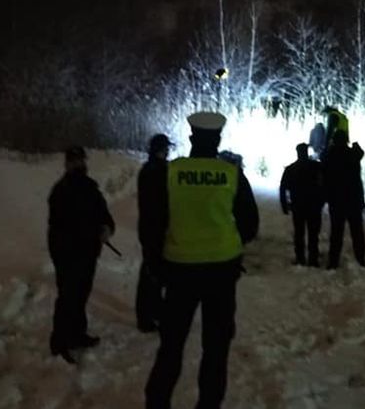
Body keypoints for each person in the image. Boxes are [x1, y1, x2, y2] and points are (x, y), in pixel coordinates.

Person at [145, 111, 259, 409]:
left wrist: (156, 266)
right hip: (221, 272)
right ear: (217, 140)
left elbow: (152, 224)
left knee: (171, 346)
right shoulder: (231, 174)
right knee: (216, 349)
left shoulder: (170, 173)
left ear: (192, 138)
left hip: (179, 271)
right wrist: (227, 242)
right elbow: (250, 224)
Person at [47, 146, 116, 364]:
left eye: (81, 160)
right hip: (68, 255)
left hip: (88, 253)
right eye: (74, 161)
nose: (79, 164)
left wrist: (106, 228)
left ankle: (77, 335)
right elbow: (57, 229)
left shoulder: (90, 188)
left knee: (81, 296)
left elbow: (104, 214)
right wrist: (62, 254)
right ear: (67, 163)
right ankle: (59, 342)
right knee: (67, 298)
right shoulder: (60, 192)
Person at [136, 133, 172, 333]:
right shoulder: (156, 171)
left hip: (151, 228)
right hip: (154, 229)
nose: (168, 152)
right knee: (151, 273)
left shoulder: (151, 169)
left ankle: (155, 311)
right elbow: (159, 202)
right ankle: (145, 316)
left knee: (155, 272)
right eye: (166, 149)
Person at [321, 131, 365, 269]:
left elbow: (323, 166)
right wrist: (355, 145)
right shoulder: (352, 154)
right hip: (354, 199)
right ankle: (360, 259)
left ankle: (333, 262)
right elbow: (360, 153)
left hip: (337, 200)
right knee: (357, 232)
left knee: (336, 232)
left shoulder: (330, 155)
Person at [279, 143, 325, 267]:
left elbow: (283, 188)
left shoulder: (291, 169)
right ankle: (313, 259)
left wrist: (284, 205)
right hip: (314, 206)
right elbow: (324, 184)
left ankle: (300, 258)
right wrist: (322, 201)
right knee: (313, 234)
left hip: (298, 206)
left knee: (299, 233)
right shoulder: (316, 167)